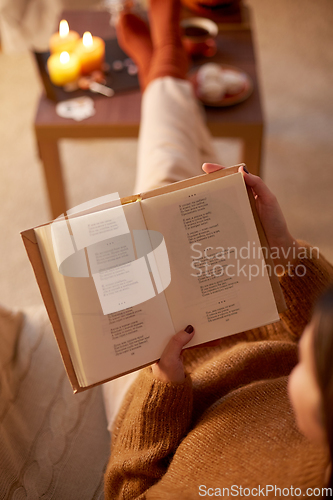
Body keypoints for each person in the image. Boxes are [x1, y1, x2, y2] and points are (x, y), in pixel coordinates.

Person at [102, 0, 333, 497]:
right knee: (202, 187)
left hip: (161, 366)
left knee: (166, 179)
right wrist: (284, 250)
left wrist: (165, 383)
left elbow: (127, 488)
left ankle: (165, 68)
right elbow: (319, 322)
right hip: (251, 311)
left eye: (314, 360)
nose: (311, 341)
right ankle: (166, 71)